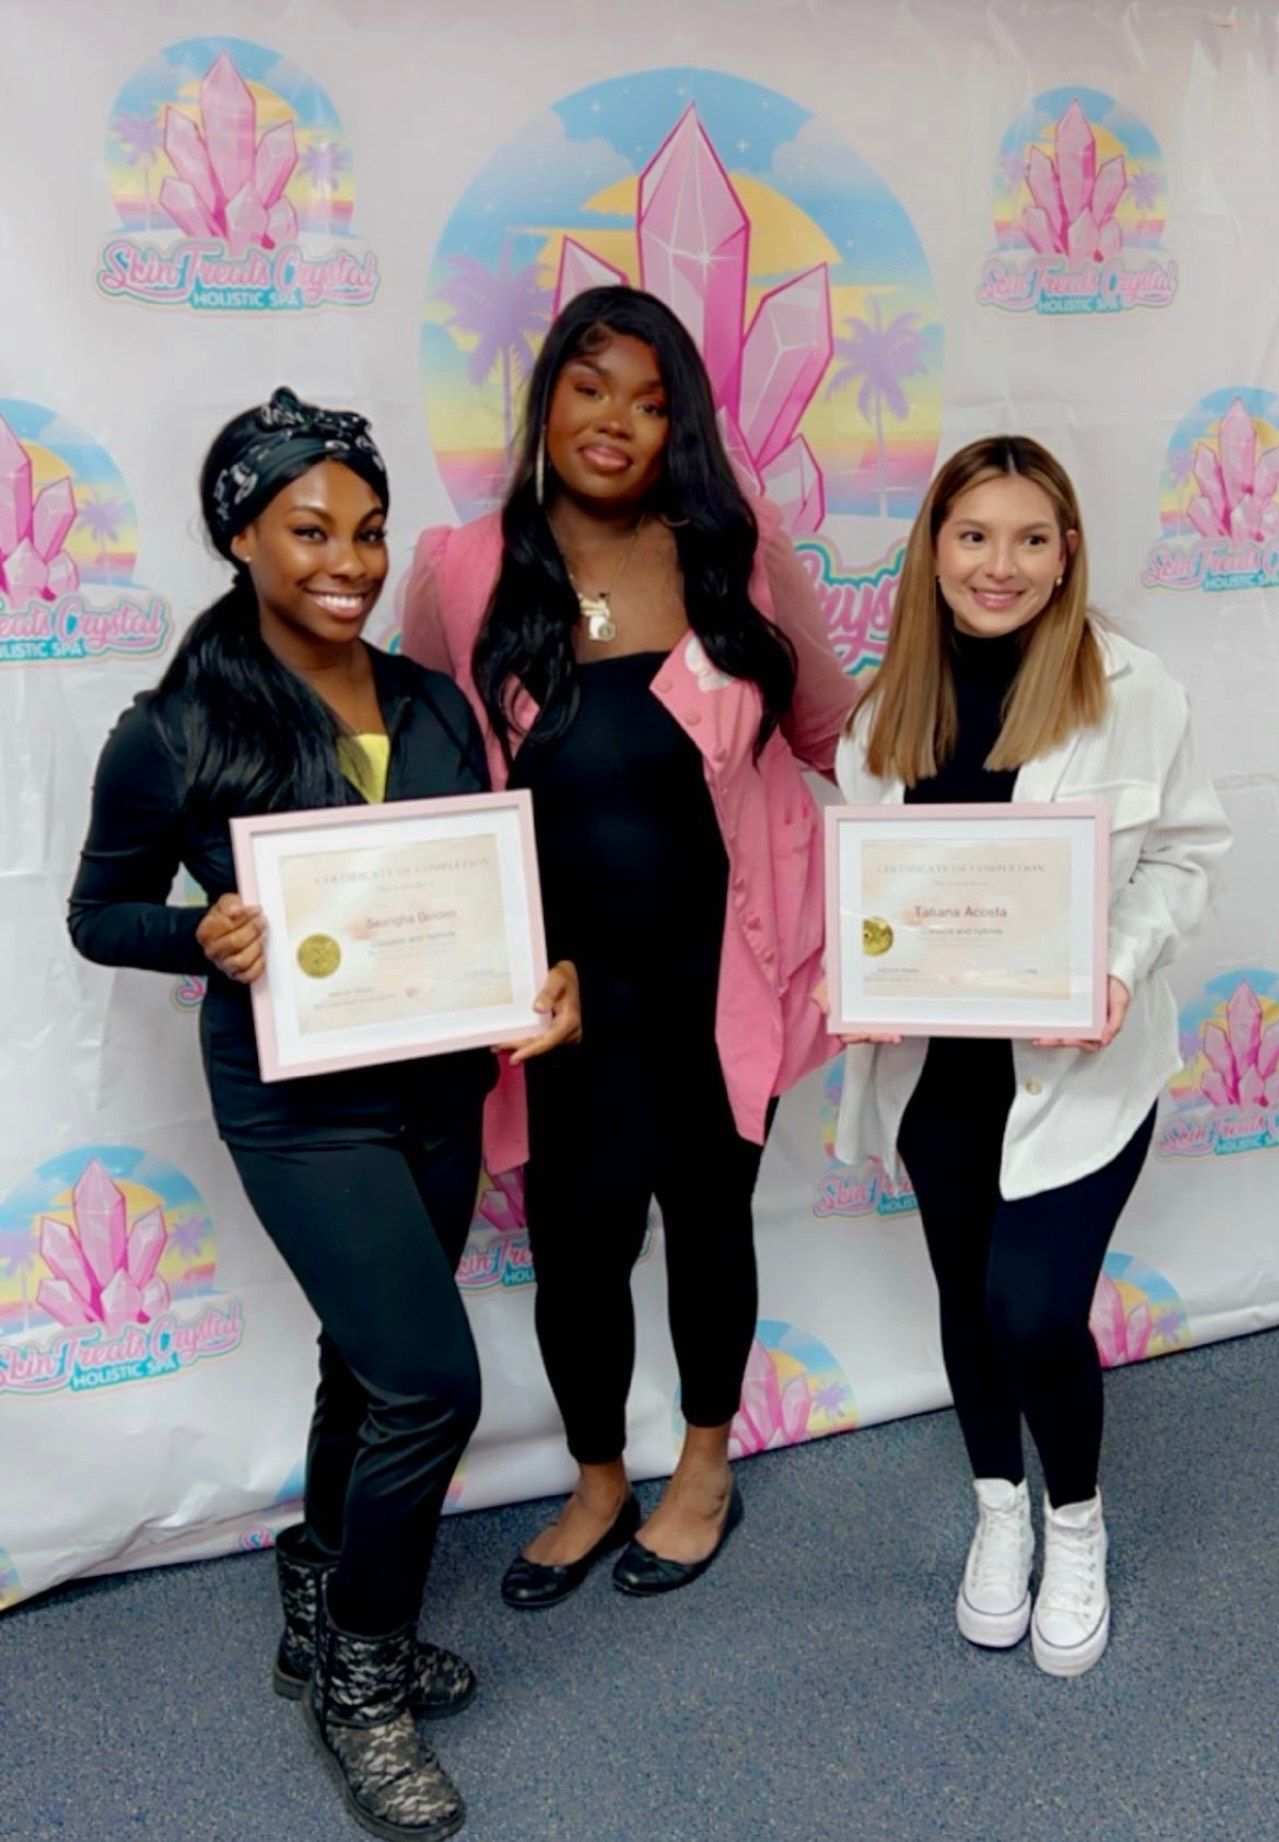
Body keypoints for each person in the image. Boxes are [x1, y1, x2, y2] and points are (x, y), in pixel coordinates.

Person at [68, 388, 581, 1842]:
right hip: (298, 1109)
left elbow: (465, 891)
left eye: (366, 527)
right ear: (241, 535)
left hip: (433, 1083)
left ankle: (316, 1581)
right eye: (308, 529)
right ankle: (360, 1680)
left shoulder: (428, 695)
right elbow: (98, 911)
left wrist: (527, 977)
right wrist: (198, 934)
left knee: (367, 1367)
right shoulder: (170, 731)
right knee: (433, 1385)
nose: (348, 557)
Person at [402, 285, 857, 1605]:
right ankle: (597, 1475)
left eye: (653, 401)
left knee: (710, 1221)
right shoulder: (461, 567)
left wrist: (1001, 791)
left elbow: (836, 729)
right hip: (558, 997)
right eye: (592, 385)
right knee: (576, 1237)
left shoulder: (736, 552)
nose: (617, 420)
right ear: (547, 393)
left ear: (685, 427)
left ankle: (703, 1465)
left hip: (724, 966)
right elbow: (412, 764)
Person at [830, 435, 1230, 1677]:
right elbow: (874, 887)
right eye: (971, 536)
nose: (998, 565)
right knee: (965, 1300)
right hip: (942, 1071)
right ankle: (997, 1511)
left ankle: (1076, 1521)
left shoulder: (1131, 688)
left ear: (1066, 556)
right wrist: (869, 970)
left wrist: (1114, 968)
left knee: (1034, 1309)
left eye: (1029, 538)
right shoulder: (882, 703)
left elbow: (1184, 853)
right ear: (932, 550)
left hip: (1077, 1068)